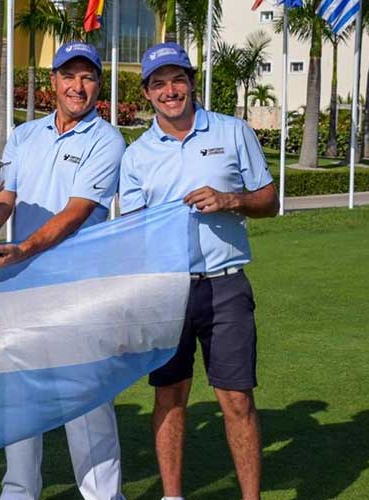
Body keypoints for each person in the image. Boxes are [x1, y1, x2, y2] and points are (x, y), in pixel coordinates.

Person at [118, 42, 279, 500]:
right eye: (158, 83)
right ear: (147, 93)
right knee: (170, 397)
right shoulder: (137, 155)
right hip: (168, 293)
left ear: (191, 82)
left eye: (177, 80)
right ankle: (173, 496)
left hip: (225, 287)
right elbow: (133, 231)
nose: (170, 91)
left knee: (237, 399)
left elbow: (269, 201)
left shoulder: (232, 132)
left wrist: (231, 200)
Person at [0, 42, 127, 500]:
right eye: (69, 76)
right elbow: (7, 195)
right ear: (53, 82)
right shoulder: (25, 136)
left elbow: (76, 212)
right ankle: (19, 491)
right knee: (20, 393)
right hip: (23, 282)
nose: (77, 86)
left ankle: (104, 495)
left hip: (78, 283)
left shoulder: (107, 140)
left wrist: (23, 246)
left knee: (85, 396)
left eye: (87, 77)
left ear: (98, 85)